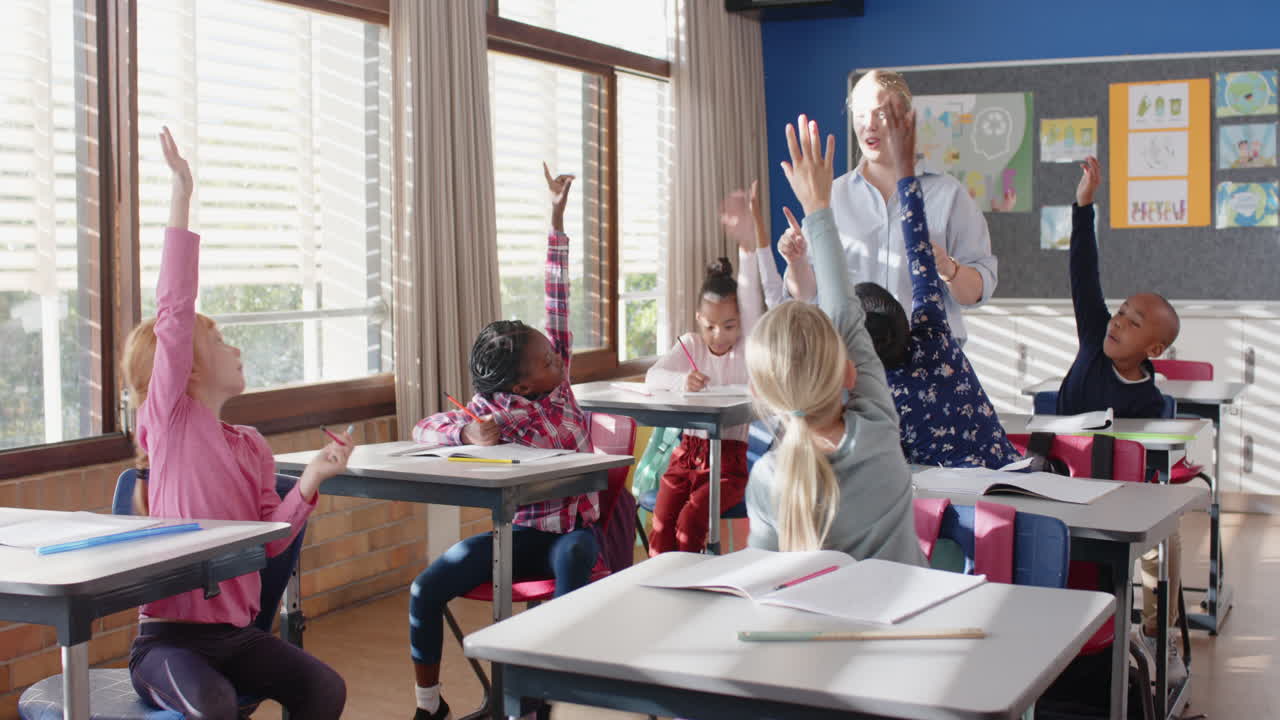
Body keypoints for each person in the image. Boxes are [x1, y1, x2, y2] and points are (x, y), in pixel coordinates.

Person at [123, 127, 349, 720]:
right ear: (183, 368)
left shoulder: (251, 445)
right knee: (216, 706)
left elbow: (269, 537)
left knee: (325, 689)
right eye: (218, 340)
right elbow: (174, 310)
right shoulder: (171, 422)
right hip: (168, 642)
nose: (235, 349)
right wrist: (181, 194)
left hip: (239, 636)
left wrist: (311, 482)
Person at [407, 164, 599, 720]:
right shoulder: (496, 410)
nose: (559, 359)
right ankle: (430, 706)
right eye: (545, 360)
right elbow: (425, 429)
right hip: (517, 534)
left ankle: (541, 701)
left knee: (577, 561)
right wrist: (465, 432)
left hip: (571, 532)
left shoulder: (559, 385)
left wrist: (557, 219)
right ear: (520, 383)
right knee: (426, 589)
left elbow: (557, 296)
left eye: (553, 352)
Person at [744, 113, 922, 565]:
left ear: (761, 395)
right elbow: (843, 309)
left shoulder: (767, 478)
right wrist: (818, 205)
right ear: (849, 372)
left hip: (808, 634)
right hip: (910, 631)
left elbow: (762, 582)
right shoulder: (878, 433)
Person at [1058, 154, 1185, 685]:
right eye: (1120, 312)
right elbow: (1085, 271)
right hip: (1059, 488)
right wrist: (1084, 206)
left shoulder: (1151, 405)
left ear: (1152, 347)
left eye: (1133, 323)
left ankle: (1159, 640)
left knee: (1160, 552)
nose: (1118, 321)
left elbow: (1152, 473)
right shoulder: (1093, 339)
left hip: (1118, 505)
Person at [855, 93, 1021, 469]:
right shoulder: (933, 336)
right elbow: (918, 247)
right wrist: (906, 167)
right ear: (905, 315)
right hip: (1001, 476)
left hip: (945, 502)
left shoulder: (874, 402)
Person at [783, 70, 998, 346]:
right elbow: (808, 295)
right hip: (850, 359)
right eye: (860, 114)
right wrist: (796, 261)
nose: (868, 124)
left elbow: (979, 290)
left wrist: (949, 269)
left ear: (906, 120)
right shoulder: (829, 196)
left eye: (881, 114)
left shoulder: (948, 194)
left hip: (928, 363)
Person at [644, 195, 766, 554]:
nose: (719, 335)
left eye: (729, 325)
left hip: (729, 461)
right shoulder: (691, 345)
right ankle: (659, 583)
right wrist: (682, 381)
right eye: (711, 326)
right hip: (686, 455)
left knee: (693, 519)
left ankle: (690, 585)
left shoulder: (747, 348)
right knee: (664, 519)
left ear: (741, 322)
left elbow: (751, 295)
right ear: (699, 320)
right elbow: (653, 377)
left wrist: (747, 243)